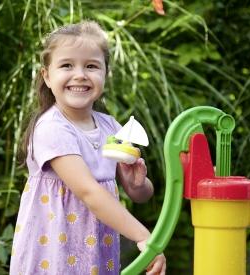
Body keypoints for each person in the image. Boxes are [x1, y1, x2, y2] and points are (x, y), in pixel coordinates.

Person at [9, 20, 166, 275]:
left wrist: (137, 184)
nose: (80, 74)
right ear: (47, 76)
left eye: (91, 66)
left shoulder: (111, 128)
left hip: (95, 254)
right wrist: (144, 237)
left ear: (105, 73)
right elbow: (89, 192)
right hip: (54, 255)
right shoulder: (52, 128)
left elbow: (142, 196)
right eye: (66, 65)